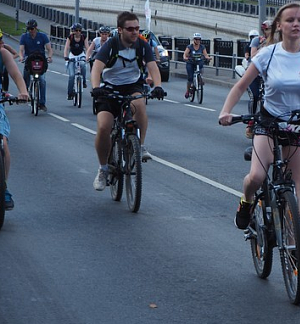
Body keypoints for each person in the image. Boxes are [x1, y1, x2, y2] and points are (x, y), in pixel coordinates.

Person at [218, 2, 300, 231]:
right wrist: (225, 111)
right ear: (280, 25)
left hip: (298, 123)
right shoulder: (268, 54)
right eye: (290, 20)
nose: (296, 24)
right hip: (269, 121)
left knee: (294, 188)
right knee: (257, 177)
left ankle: (293, 251)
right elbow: (240, 87)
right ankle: (246, 202)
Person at [90, 11, 165, 191]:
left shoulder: (142, 45)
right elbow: (96, 69)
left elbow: (152, 67)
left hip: (132, 86)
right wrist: (95, 88)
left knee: (139, 105)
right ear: (120, 30)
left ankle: (140, 146)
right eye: (130, 29)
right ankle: (103, 168)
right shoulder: (111, 45)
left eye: (137, 28)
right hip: (109, 88)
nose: (134, 32)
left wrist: (158, 86)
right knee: (103, 126)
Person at [0, 38, 29, 209]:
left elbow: (16, 75)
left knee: (2, 143)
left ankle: (3, 187)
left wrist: (23, 92)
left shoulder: (3, 54)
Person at [18, 19, 53, 112]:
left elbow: (49, 49)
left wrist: (49, 57)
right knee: (25, 76)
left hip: (40, 59)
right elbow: (21, 50)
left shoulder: (42, 36)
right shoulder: (24, 37)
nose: (30, 31)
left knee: (42, 81)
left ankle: (42, 103)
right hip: (29, 59)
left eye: (32, 29)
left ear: (36, 28)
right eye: (29, 29)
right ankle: (25, 93)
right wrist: (21, 57)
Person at [64, 23, 90, 100]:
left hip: (81, 54)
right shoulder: (70, 37)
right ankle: (70, 93)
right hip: (72, 55)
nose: (78, 32)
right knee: (71, 76)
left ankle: (84, 81)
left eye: (79, 30)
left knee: (83, 65)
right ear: (73, 31)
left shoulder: (83, 37)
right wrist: (66, 56)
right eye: (76, 30)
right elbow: (66, 48)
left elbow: (87, 47)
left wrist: (88, 57)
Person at [183, 33, 211, 98]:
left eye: (199, 39)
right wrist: (185, 57)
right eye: (196, 39)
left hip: (199, 62)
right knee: (190, 78)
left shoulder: (202, 47)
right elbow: (185, 54)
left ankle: (199, 79)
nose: (198, 40)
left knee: (201, 68)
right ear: (194, 40)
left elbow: (205, 54)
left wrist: (208, 57)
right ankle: (188, 90)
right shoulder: (190, 47)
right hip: (191, 62)